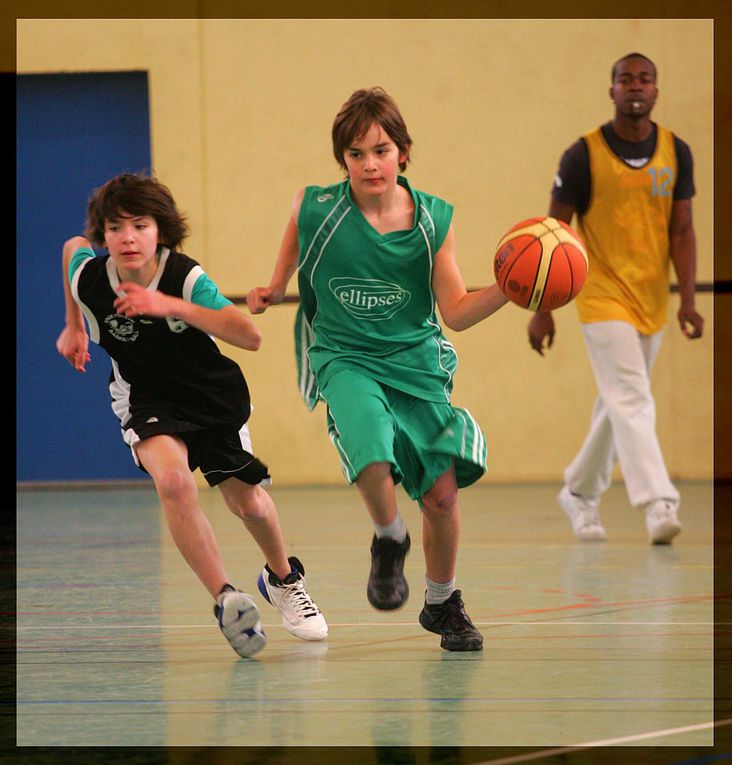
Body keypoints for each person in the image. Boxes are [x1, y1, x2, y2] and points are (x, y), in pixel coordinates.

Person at [247, 87, 509, 651]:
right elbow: (291, 256)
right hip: (343, 355)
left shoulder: (432, 221)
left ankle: (443, 603)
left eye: (381, 150)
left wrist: (510, 290)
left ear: (403, 153)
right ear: (342, 160)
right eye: (356, 153)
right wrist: (272, 287)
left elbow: (458, 312)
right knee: (371, 440)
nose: (370, 163)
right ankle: (389, 537)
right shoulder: (315, 208)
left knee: (441, 495)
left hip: (415, 362)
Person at [56, 172, 328, 658]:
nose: (128, 237)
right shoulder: (91, 279)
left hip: (210, 396)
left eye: (140, 225)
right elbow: (72, 247)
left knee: (249, 505)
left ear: (160, 230)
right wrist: (74, 326)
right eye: (116, 227)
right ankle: (227, 598)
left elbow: (249, 335)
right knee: (174, 483)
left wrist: (166, 305)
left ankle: (284, 579)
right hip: (147, 399)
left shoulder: (184, 277)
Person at [528, 53, 704, 545]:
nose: (635, 86)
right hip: (600, 295)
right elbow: (554, 232)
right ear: (611, 91)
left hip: (651, 296)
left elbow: (683, 230)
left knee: (619, 403)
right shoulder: (582, 156)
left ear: (656, 91)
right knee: (631, 396)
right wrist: (543, 310)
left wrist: (687, 301)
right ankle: (659, 501)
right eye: (625, 78)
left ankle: (579, 492)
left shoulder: (677, 152)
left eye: (644, 78)